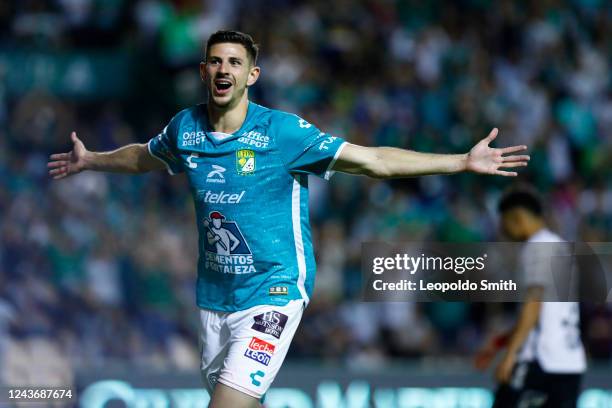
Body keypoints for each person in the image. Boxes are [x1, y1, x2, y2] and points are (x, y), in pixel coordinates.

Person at [48, 30, 530, 408]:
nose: (224, 69)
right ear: (202, 70)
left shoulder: (282, 132)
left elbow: (373, 161)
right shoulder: (185, 128)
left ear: (251, 75)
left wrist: (459, 162)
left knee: (226, 404)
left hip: (276, 288)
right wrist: (92, 160)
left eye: (235, 63)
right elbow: (145, 157)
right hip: (215, 295)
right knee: (243, 401)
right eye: (216, 61)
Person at [474, 189, 585, 408]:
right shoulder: (560, 247)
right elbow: (548, 314)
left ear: (517, 218)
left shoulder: (536, 248)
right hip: (570, 363)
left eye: (504, 222)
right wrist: (500, 342)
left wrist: (510, 355)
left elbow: (534, 305)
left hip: (540, 360)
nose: (503, 229)